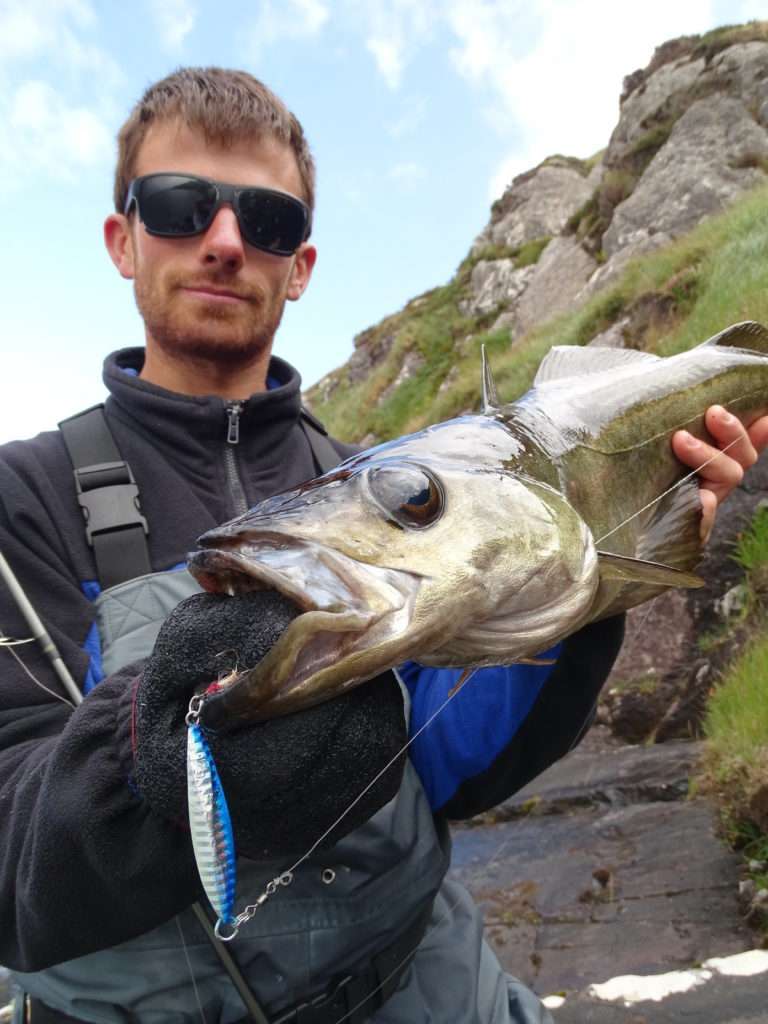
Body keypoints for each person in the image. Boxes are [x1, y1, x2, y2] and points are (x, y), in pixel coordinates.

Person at [0, 67, 765, 1024]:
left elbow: (449, 770)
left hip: (438, 983)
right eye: (180, 205)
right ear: (124, 238)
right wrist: (151, 749)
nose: (227, 241)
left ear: (302, 264)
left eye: (268, 221)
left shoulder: (376, 465)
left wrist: (593, 585)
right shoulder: (17, 500)